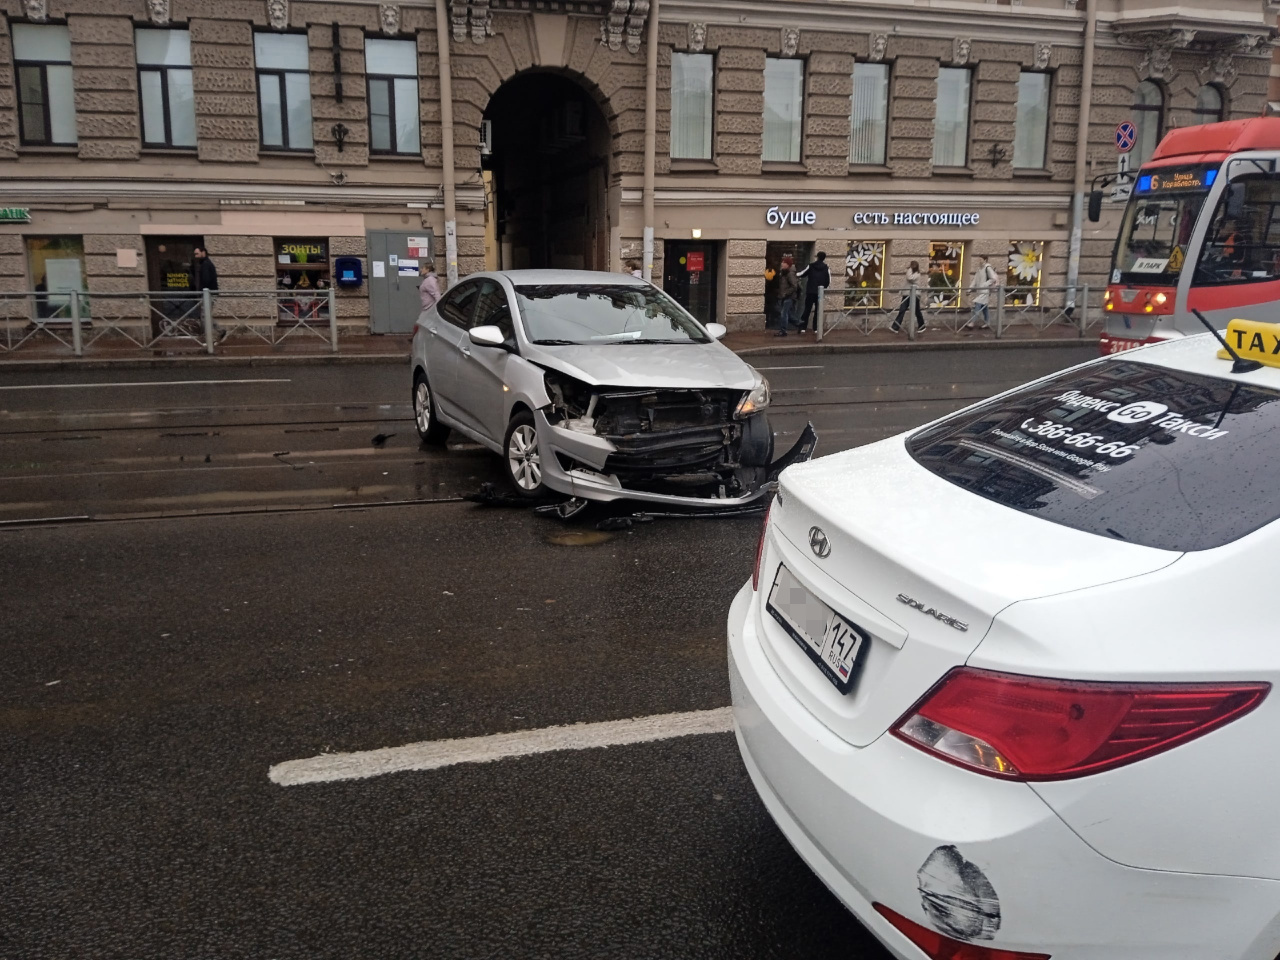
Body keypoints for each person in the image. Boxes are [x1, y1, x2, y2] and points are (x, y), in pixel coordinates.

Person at [190, 245, 224, 340]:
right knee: (206, 315)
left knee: (205, 316)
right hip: (209, 293)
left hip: (208, 294)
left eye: (197, 254)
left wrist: (202, 291)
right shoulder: (205, 263)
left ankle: (210, 339)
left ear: (203, 252)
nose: (195, 256)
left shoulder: (205, 264)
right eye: (194, 254)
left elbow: (206, 280)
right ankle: (220, 330)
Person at [795, 251, 831, 333]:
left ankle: (803, 327)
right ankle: (815, 328)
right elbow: (828, 281)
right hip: (820, 292)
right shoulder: (826, 268)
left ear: (817, 257)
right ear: (824, 258)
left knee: (807, 309)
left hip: (810, 291)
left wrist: (795, 274)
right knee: (818, 311)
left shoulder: (811, 266)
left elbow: (802, 273)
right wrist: (824, 287)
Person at [963, 254, 998, 331]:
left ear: (985, 260)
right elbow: (975, 281)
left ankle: (972, 323)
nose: (979, 261)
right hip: (980, 291)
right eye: (979, 259)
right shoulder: (979, 269)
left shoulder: (987, 268)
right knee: (984, 307)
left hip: (985, 291)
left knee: (977, 305)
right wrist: (969, 289)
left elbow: (993, 278)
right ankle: (987, 323)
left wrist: (984, 284)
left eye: (980, 259)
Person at [890, 261, 926, 334]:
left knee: (917, 311)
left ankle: (922, 326)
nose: (912, 267)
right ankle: (895, 327)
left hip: (914, 295)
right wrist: (901, 291)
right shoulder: (910, 272)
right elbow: (905, 283)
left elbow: (910, 278)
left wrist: (909, 269)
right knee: (902, 310)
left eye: (912, 266)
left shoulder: (917, 274)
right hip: (907, 294)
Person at [773, 256, 801, 337]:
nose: (782, 264)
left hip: (789, 297)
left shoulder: (790, 273)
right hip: (783, 296)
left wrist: (786, 293)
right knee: (786, 313)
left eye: (784, 263)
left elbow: (794, 286)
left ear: (788, 265)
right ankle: (799, 324)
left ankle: (783, 331)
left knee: (783, 313)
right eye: (782, 262)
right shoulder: (783, 272)